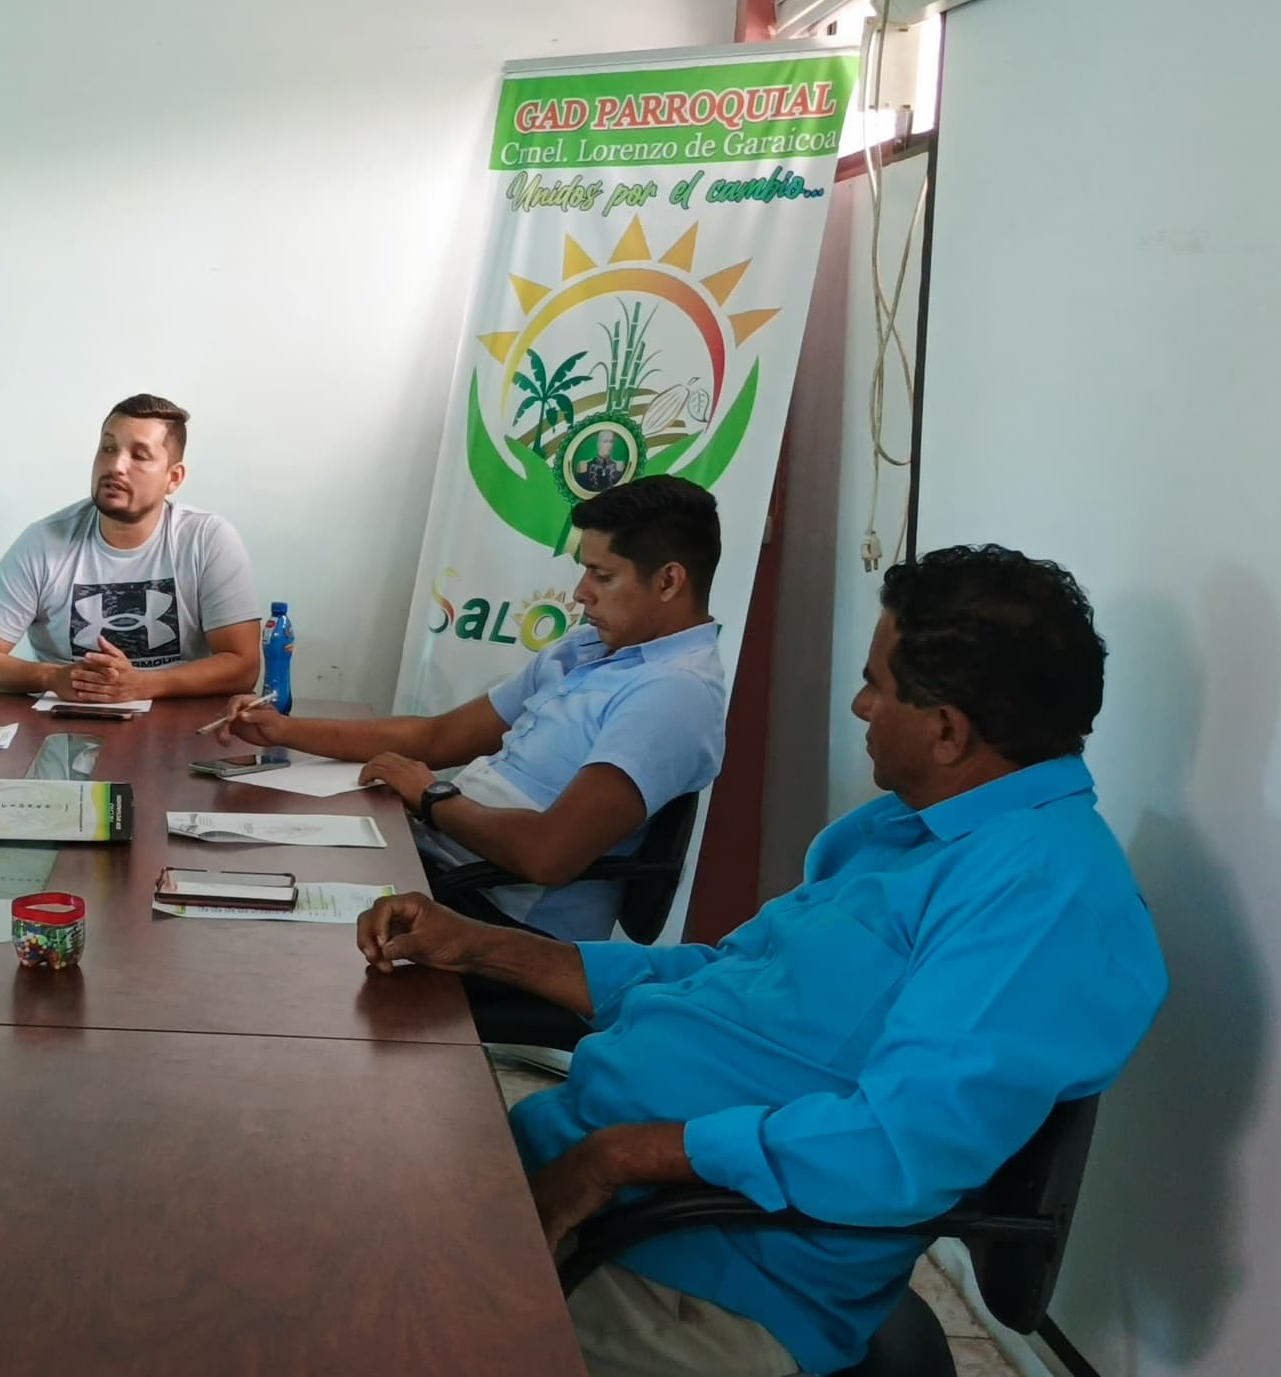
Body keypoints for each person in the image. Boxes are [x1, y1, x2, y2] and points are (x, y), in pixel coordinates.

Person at [352, 545, 1167, 1377]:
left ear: (948, 731)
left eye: (877, 687)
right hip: (599, 1187)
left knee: (340, 1311)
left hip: (700, 1276)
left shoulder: (1042, 895)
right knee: (333, 1189)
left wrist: (622, 1156)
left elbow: (898, 1147)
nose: (859, 705)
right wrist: (480, 944)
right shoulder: (908, 831)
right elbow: (724, 978)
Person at [223, 476, 728, 941]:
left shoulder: (673, 694)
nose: (580, 593)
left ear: (668, 582)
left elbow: (547, 854)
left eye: (602, 575)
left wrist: (432, 797)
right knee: (252, 867)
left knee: (269, 929)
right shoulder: (585, 649)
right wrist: (283, 729)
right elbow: (439, 739)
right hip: (440, 867)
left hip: (497, 921)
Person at [0, 393, 263, 701]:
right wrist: (52, 677)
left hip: (179, 726)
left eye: (139, 455)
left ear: (173, 477)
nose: (116, 466)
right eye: (108, 448)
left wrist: (143, 685)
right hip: (66, 724)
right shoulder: (43, 542)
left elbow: (243, 666)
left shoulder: (207, 539)